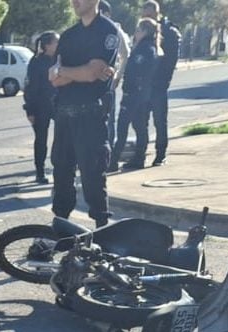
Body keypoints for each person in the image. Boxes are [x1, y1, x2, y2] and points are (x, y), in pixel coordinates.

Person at [49, 0, 122, 228]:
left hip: (90, 115)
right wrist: (75, 72)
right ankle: (60, 226)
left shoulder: (107, 31)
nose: (75, 2)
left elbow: (92, 74)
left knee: (92, 175)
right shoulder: (69, 35)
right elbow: (54, 79)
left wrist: (67, 71)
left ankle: (102, 229)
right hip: (64, 115)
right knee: (61, 173)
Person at [110, 18, 161, 171]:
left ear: (145, 32)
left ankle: (114, 161)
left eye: (138, 30)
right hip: (139, 93)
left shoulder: (146, 49)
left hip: (135, 94)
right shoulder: (144, 47)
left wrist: (131, 88)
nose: (135, 33)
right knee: (139, 127)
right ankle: (138, 158)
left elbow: (139, 72)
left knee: (124, 127)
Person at [142, 0, 181, 166]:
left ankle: (161, 154)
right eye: (145, 15)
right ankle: (139, 154)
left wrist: (164, 81)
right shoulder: (143, 30)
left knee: (160, 121)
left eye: (150, 14)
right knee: (140, 121)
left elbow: (170, 61)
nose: (147, 18)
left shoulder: (169, 32)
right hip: (143, 86)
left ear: (157, 14)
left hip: (159, 84)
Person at [24, 32, 59, 184]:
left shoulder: (59, 59)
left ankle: (60, 167)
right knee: (41, 139)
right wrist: (30, 110)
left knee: (62, 137)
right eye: (56, 42)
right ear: (47, 45)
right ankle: (40, 171)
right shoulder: (37, 61)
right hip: (40, 105)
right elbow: (30, 87)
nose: (59, 45)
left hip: (58, 104)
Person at [98, 1, 129, 152]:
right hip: (88, 81)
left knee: (108, 120)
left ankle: (108, 156)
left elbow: (125, 54)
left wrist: (118, 76)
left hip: (108, 82)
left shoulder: (114, 29)